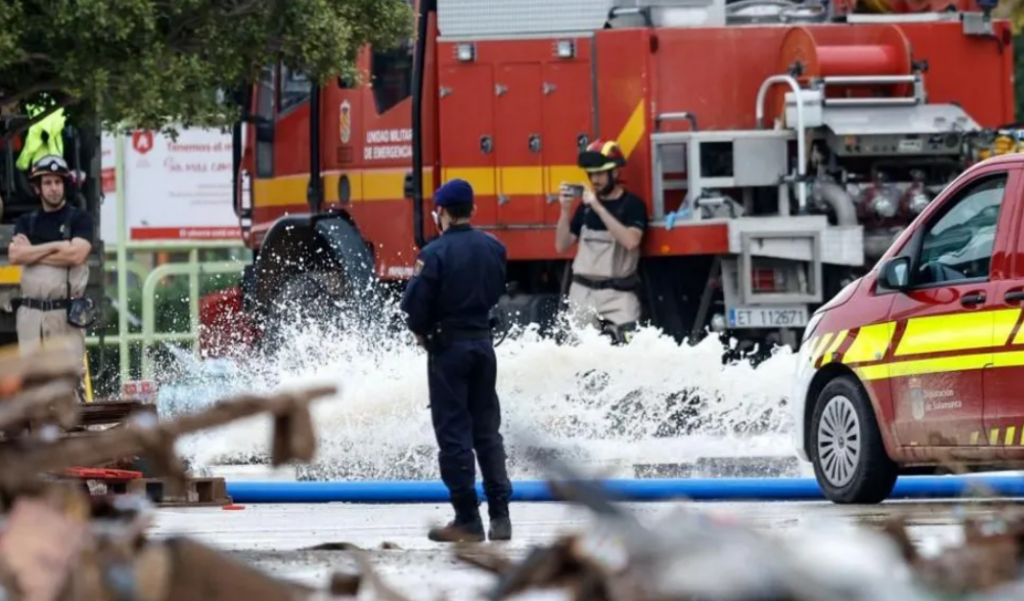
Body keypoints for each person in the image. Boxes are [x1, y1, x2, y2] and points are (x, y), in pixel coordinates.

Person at [400, 178, 513, 543]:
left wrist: (422, 333)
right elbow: (498, 290)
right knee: (487, 432)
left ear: (442, 213)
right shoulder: (494, 247)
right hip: (483, 344)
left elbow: (415, 307)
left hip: (448, 350)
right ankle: (501, 516)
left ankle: (467, 518)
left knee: (454, 436)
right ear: (473, 210)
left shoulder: (433, 254)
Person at [9, 154, 95, 392]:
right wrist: (57, 246)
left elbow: (77, 256)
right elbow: (16, 256)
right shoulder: (27, 222)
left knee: (67, 383)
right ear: (38, 188)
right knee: (31, 385)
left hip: (64, 314)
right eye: (47, 183)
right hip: (30, 316)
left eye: (58, 182)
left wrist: (33, 252)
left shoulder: (80, 219)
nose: (54, 188)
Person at [554, 139, 648, 344]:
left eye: (599, 174)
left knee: (629, 348)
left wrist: (599, 208)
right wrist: (565, 210)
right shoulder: (584, 208)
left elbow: (631, 241)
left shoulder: (632, 205)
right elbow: (561, 246)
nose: (594, 179)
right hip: (583, 292)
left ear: (615, 173)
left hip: (618, 294)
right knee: (580, 356)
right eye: (591, 174)